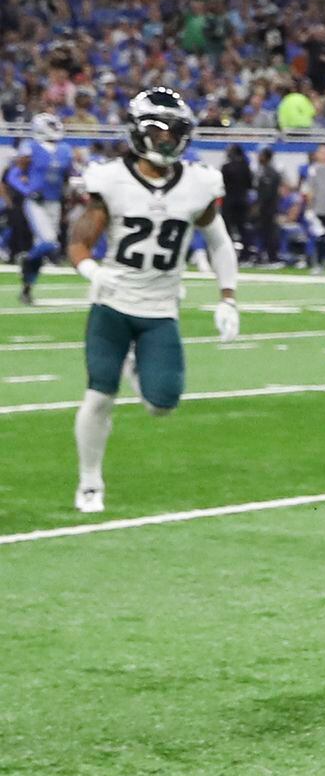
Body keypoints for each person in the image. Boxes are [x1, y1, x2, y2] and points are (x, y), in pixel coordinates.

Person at [65, 88, 241, 513]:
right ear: (138, 131)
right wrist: (93, 271)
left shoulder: (198, 183)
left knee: (162, 404)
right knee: (99, 397)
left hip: (161, 309)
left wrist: (228, 298)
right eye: (158, 130)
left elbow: (218, 242)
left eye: (174, 131)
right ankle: (90, 483)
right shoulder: (110, 179)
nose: (166, 140)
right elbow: (79, 241)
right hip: (112, 304)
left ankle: (135, 365)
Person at [6, 113, 75, 303]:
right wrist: (28, 191)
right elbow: (13, 175)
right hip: (37, 202)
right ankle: (26, 260)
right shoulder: (31, 147)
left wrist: (70, 198)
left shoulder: (64, 149)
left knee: (45, 247)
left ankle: (26, 289)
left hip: (55, 202)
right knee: (48, 242)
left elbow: (68, 178)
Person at [219, 143, 253, 263]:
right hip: (242, 200)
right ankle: (246, 255)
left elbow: (221, 185)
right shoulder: (245, 166)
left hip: (229, 201)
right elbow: (250, 184)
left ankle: (227, 254)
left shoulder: (226, 167)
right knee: (243, 229)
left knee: (227, 229)